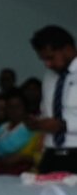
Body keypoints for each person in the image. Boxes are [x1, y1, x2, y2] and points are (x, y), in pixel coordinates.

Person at [29, 23, 77, 172]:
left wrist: (63, 125)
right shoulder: (49, 77)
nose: (47, 64)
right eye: (43, 59)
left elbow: (60, 122)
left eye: (50, 58)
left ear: (68, 49)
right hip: (51, 153)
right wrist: (39, 123)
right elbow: (47, 111)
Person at [0, 89, 42, 175]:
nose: (13, 110)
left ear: (25, 108)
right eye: (10, 107)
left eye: (18, 107)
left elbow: (40, 156)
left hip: (22, 173)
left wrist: (22, 158)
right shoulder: (2, 127)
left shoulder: (33, 129)